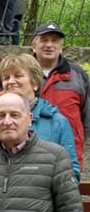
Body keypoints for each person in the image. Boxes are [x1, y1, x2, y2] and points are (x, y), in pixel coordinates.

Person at [0, 54, 80, 180]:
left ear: (35, 83)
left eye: (18, 75)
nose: (11, 81)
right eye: (6, 77)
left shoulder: (56, 122)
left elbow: (71, 172)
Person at [31, 22, 90, 172]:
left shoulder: (77, 75)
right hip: (28, 153)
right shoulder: (22, 72)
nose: (49, 45)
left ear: (61, 47)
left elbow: (86, 116)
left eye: (54, 40)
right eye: (44, 40)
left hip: (68, 154)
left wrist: (77, 140)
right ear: (33, 46)